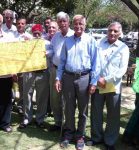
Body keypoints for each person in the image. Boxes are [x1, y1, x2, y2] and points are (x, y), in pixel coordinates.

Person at [55, 14, 100, 150]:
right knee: (69, 108)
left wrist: (93, 82)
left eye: (81, 24)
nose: (78, 26)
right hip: (68, 77)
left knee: (83, 109)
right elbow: (62, 61)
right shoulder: (67, 41)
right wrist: (58, 78)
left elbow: (95, 63)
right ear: (72, 25)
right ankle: (68, 134)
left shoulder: (91, 40)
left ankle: (80, 136)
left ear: (85, 25)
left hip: (84, 78)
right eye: (76, 24)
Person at [87, 22, 129, 150]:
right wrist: (96, 79)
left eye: (115, 31)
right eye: (110, 30)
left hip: (113, 86)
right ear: (107, 31)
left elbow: (122, 70)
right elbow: (93, 62)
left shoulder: (123, 48)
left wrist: (106, 79)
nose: (112, 33)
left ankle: (110, 141)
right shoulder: (99, 44)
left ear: (120, 33)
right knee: (96, 112)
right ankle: (96, 137)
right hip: (98, 84)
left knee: (113, 115)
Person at [19, 24, 49, 129]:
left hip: (42, 73)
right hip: (29, 71)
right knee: (27, 95)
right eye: (35, 33)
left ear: (41, 33)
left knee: (42, 97)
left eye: (38, 33)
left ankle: (40, 119)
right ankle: (27, 118)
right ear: (32, 33)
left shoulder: (46, 43)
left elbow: (53, 52)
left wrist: (47, 52)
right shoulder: (27, 42)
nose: (36, 35)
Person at [48, 11, 74, 131]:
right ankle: (58, 123)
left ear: (68, 22)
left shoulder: (74, 35)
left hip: (68, 73)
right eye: (60, 21)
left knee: (67, 99)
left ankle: (67, 124)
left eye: (64, 21)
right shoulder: (55, 36)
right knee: (55, 98)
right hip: (55, 70)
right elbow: (51, 50)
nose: (62, 23)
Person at [0, 13, 15, 133]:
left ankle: (5, 123)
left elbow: (14, 55)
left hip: (6, 74)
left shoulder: (7, 37)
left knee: (6, 99)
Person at [14, 18, 32, 114]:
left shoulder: (29, 36)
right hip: (12, 64)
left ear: (25, 25)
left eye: (22, 23)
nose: (20, 25)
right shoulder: (12, 35)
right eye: (18, 23)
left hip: (23, 66)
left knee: (22, 86)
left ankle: (21, 106)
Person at [45, 21, 59, 116]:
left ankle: (57, 113)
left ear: (57, 28)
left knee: (56, 92)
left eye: (53, 27)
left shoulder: (59, 39)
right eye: (50, 27)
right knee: (48, 91)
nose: (51, 29)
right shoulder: (44, 39)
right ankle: (48, 109)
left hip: (57, 69)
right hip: (46, 69)